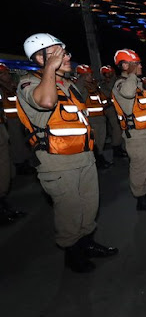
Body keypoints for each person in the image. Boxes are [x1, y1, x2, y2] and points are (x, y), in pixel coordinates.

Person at [17, 33, 117, 272]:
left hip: (83, 156)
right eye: (59, 54)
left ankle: (87, 243)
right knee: (70, 210)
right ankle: (73, 254)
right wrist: (51, 68)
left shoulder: (69, 84)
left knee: (89, 205)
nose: (67, 57)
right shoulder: (28, 83)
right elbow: (47, 102)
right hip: (57, 162)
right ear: (41, 60)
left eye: (65, 52)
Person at [111, 49, 146, 212]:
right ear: (125, 65)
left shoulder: (137, 83)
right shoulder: (121, 83)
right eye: (137, 63)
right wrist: (132, 74)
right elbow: (128, 94)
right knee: (139, 167)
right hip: (135, 135)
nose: (140, 66)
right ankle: (141, 199)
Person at [75, 64, 112, 170]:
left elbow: (104, 98)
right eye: (88, 75)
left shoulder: (95, 86)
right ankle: (96, 161)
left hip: (101, 118)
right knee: (94, 142)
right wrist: (81, 79)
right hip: (90, 120)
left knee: (101, 141)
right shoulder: (80, 87)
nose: (91, 76)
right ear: (82, 76)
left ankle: (99, 158)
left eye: (91, 74)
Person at [0, 63, 34, 174]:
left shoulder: (14, 85)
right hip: (9, 120)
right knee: (16, 143)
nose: (7, 76)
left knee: (23, 141)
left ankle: (26, 161)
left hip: (21, 118)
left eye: (7, 73)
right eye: (4, 74)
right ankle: (20, 165)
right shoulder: (2, 89)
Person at [99, 65, 127, 158]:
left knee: (121, 127)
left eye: (111, 72)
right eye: (108, 73)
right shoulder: (103, 84)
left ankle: (119, 147)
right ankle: (116, 148)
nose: (110, 74)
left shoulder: (115, 80)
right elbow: (110, 90)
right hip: (110, 108)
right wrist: (114, 79)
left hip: (118, 107)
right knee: (116, 128)